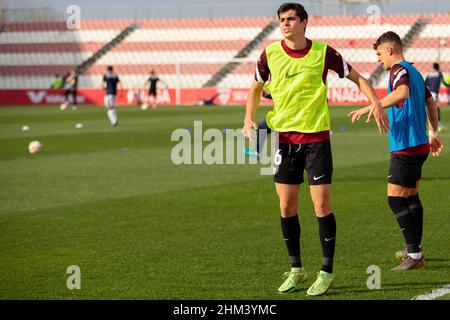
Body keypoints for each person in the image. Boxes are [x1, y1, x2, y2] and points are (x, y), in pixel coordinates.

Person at [242, 2, 389, 296]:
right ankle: (296, 269)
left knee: (321, 206)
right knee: (286, 207)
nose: (285, 24)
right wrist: (247, 118)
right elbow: (256, 88)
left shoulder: (323, 52)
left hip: (317, 141)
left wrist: (374, 102)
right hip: (284, 140)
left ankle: (326, 272)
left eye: (291, 19)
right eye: (281, 20)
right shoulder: (269, 54)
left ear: (304, 22)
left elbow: (358, 77)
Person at [348, 31, 444, 270]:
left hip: (406, 146)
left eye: (379, 53)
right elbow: (431, 102)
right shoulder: (415, 71)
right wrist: (433, 133)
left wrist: (373, 104)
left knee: (395, 199)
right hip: (419, 143)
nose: (379, 59)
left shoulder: (399, 70)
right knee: (410, 196)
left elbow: (402, 93)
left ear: (390, 50)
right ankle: (415, 248)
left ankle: (414, 254)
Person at [424, 62, 450, 132]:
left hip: (428, 93)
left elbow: (424, 83)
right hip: (434, 93)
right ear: (438, 67)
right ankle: (437, 125)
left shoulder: (429, 74)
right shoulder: (439, 74)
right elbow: (444, 82)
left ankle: (433, 124)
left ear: (433, 67)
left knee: (431, 108)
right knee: (434, 109)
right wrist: (448, 85)